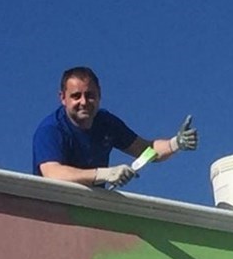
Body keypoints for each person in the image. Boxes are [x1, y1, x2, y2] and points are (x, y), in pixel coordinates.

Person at [32, 67, 198, 188]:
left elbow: (147, 151)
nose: (83, 102)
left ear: (99, 95)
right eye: (76, 96)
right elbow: (53, 173)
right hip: (53, 212)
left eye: (90, 95)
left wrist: (176, 143)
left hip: (92, 209)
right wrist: (104, 174)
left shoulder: (106, 123)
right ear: (62, 98)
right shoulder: (51, 129)